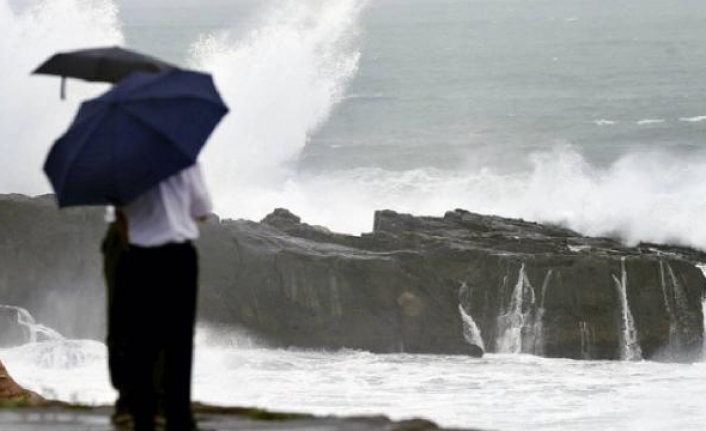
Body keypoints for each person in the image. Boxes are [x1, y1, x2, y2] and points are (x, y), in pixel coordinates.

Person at [102, 163, 212, 431]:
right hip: (176, 255)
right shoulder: (184, 160)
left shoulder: (120, 162)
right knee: (177, 338)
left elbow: (116, 214)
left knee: (133, 335)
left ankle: (135, 410)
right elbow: (202, 211)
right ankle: (173, 412)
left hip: (135, 254)